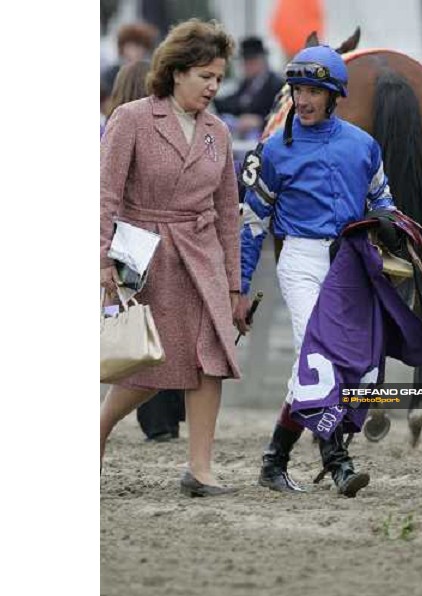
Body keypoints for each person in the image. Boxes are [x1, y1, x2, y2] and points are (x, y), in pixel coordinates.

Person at [233, 45, 400, 498]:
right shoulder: (272, 151)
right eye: (297, 90)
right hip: (301, 261)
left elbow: (384, 203)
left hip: (350, 264)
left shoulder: (363, 146)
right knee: (318, 361)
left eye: (312, 91)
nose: (302, 100)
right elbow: (252, 226)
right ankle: (339, 462)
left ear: (333, 95)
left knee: (359, 371)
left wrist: (394, 236)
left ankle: (275, 459)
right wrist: (239, 288)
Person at [100, 19, 241, 497]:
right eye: (206, 75)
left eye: (219, 77)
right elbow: (105, 196)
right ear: (177, 71)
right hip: (142, 254)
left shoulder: (218, 133)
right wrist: (102, 261)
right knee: (149, 365)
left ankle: (199, 470)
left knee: (209, 358)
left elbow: (227, 215)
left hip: (201, 256)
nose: (214, 86)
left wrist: (235, 284)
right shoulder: (132, 118)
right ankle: (97, 428)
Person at [103, 59, 187, 443]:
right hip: (149, 236)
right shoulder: (157, 126)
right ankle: (161, 420)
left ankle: (156, 423)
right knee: (161, 328)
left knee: (139, 328)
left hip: (128, 239)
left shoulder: (116, 124)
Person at [213, 36, 284, 138]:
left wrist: (259, 121)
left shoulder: (276, 85)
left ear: (261, 61)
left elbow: (282, 114)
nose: (246, 66)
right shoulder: (247, 84)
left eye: (250, 61)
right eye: (245, 62)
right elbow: (234, 102)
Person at [101, 22, 159, 94]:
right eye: (131, 46)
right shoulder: (112, 74)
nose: (136, 51)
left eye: (140, 46)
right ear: (122, 48)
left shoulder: (151, 73)